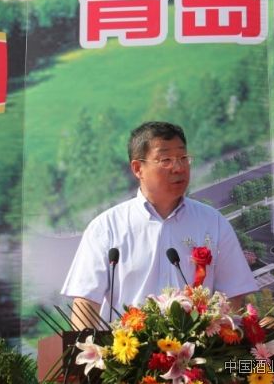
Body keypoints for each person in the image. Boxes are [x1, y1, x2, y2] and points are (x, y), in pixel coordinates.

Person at [61, 121, 258, 328]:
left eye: (183, 158)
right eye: (166, 160)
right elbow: (86, 302)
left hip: (198, 346)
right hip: (126, 345)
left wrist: (218, 337)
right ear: (138, 168)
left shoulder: (213, 222)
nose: (178, 168)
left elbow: (233, 293)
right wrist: (86, 347)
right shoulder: (106, 227)